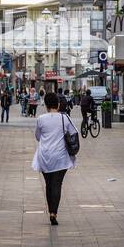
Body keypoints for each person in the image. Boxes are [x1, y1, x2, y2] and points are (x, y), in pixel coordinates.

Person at [33, 91, 76, 225]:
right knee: (57, 184)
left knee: (49, 184)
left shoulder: (41, 119)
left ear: (45, 105)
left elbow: (38, 136)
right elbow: (74, 133)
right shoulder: (65, 118)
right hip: (60, 156)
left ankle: (51, 210)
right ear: (58, 104)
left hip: (45, 156)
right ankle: (53, 213)